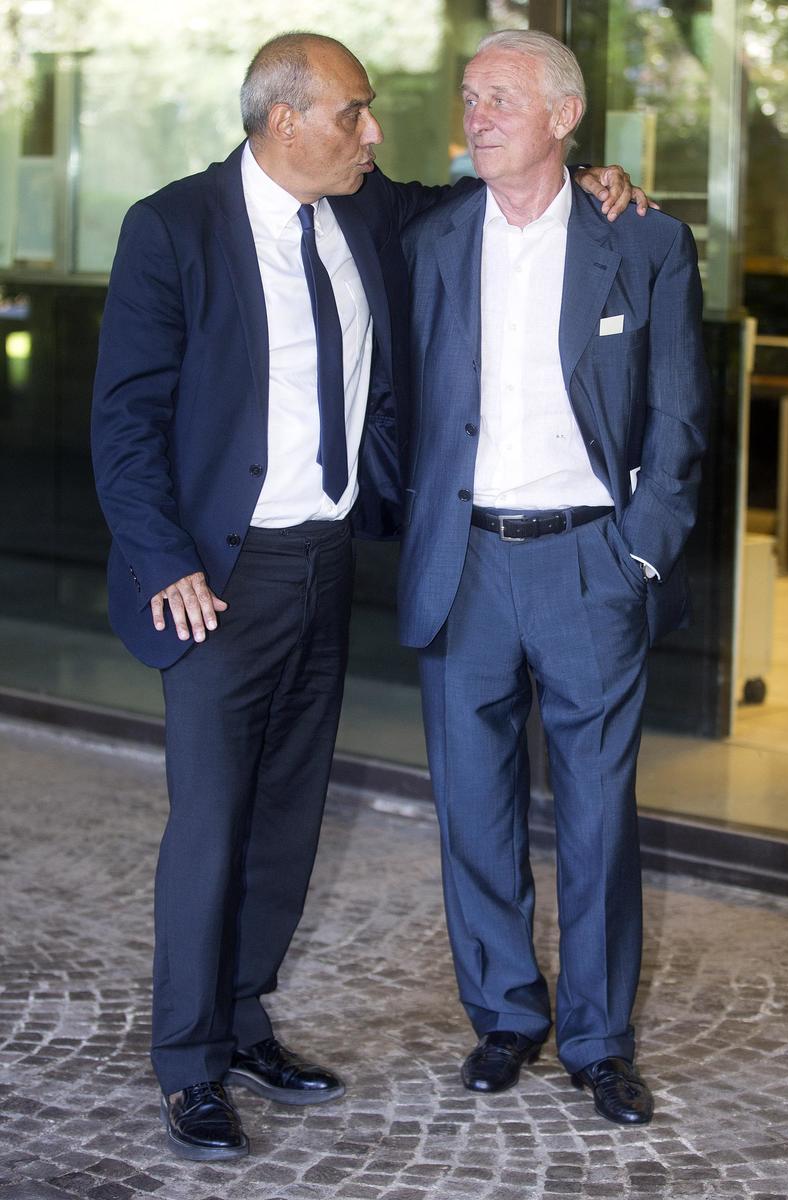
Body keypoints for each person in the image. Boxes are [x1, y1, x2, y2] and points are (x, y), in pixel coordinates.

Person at [91, 30, 645, 1161]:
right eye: (355, 113)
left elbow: (486, 188)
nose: (374, 132)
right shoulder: (172, 227)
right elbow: (126, 415)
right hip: (216, 578)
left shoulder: (364, 209)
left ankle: (244, 1021)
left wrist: (588, 176)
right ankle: (188, 1062)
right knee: (211, 822)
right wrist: (163, 559)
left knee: (288, 818)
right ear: (284, 119)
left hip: (326, 559)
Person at [397, 29, 710, 1126]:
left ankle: (598, 1039)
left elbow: (678, 416)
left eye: (499, 98)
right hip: (464, 562)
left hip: (590, 563)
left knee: (597, 815)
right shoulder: (432, 238)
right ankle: (504, 1016)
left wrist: (638, 553)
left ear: (564, 117)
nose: (475, 115)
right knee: (471, 809)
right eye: (469, 96)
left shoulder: (645, 241)